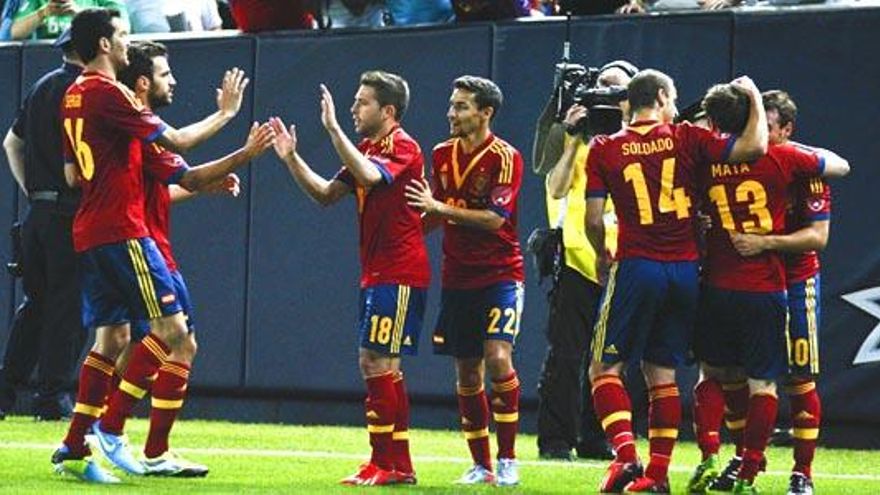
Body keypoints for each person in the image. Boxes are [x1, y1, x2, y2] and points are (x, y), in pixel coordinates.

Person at [51, 8, 272, 482]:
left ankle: (75, 445)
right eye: (122, 34)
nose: (127, 41)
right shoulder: (111, 93)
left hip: (91, 230)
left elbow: (71, 174)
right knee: (176, 335)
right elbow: (177, 141)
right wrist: (228, 114)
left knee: (114, 339)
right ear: (105, 44)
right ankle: (124, 435)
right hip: (124, 232)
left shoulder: (73, 95)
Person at [582, 69, 769, 493]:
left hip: (636, 264)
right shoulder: (687, 137)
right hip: (685, 270)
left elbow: (593, 218)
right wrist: (754, 97)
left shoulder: (605, 148)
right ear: (663, 97)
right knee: (661, 372)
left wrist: (600, 253)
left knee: (604, 368)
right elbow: (754, 146)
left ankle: (626, 458)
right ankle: (657, 475)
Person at [269, 70, 430, 486]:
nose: (354, 108)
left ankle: (384, 462)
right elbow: (325, 194)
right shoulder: (367, 149)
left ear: (387, 110)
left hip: (399, 270)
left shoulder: (403, 146)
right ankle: (397, 464)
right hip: (377, 271)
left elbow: (373, 177)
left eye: (362, 102)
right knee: (385, 366)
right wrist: (290, 158)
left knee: (374, 361)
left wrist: (332, 128)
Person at [687, 84, 849, 495]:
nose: (760, 133)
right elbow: (842, 165)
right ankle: (745, 459)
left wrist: (766, 243)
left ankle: (802, 473)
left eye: (769, 127)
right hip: (755, 284)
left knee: (798, 378)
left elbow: (817, 238)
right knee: (737, 378)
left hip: (795, 281)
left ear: (787, 130)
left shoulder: (804, 171)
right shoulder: (772, 158)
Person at [405, 75, 524, 486]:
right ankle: (481, 465)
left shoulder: (505, 157)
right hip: (457, 277)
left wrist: (437, 207)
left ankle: (508, 459)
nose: (451, 113)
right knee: (467, 371)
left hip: (501, 274)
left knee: (499, 358)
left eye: (461, 106)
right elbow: (434, 212)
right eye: (452, 104)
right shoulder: (441, 154)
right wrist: (404, 234)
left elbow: (494, 219)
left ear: (485, 112)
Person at [530, 60, 637, 461]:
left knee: (611, 358)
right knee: (566, 355)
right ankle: (556, 439)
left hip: (623, 262)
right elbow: (555, 188)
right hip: (576, 259)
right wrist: (573, 135)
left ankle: (597, 437)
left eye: (617, 90)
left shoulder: (639, 140)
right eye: (602, 87)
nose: (607, 96)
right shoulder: (575, 135)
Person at [0, 29, 83, 421]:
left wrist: (34, 190)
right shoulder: (88, 91)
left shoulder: (41, 86)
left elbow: (11, 144)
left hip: (38, 213)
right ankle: (52, 396)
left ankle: (5, 389)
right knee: (68, 308)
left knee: (35, 306)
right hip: (70, 212)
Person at [11, 0, 129, 40]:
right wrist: (43, 13)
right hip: (49, 56)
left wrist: (81, 14)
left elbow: (123, 27)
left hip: (95, 57)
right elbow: (16, 33)